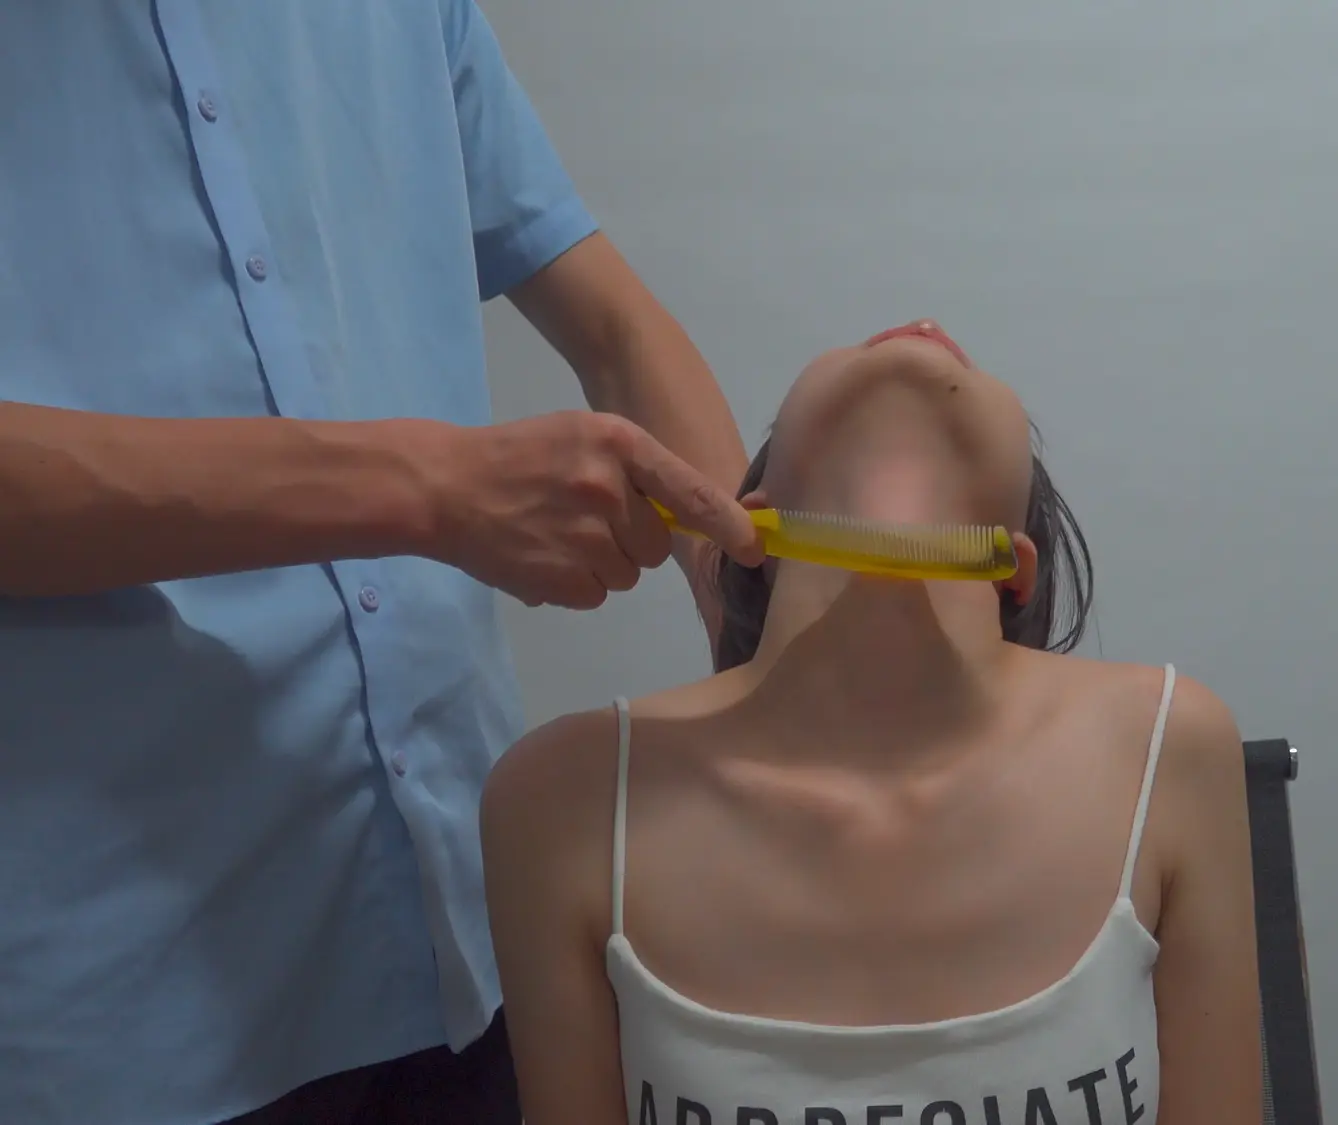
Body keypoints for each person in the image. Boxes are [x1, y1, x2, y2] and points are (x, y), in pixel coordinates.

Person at [0, 4, 763, 1124]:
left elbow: (612, 327)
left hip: (474, 934)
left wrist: (757, 642)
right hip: (120, 1015)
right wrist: (429, 489)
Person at [480, 319, 1266, 1124]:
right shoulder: (567, 800)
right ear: (751, 523)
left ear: (1016, 567)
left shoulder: (1164, 747)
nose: (920, 334)